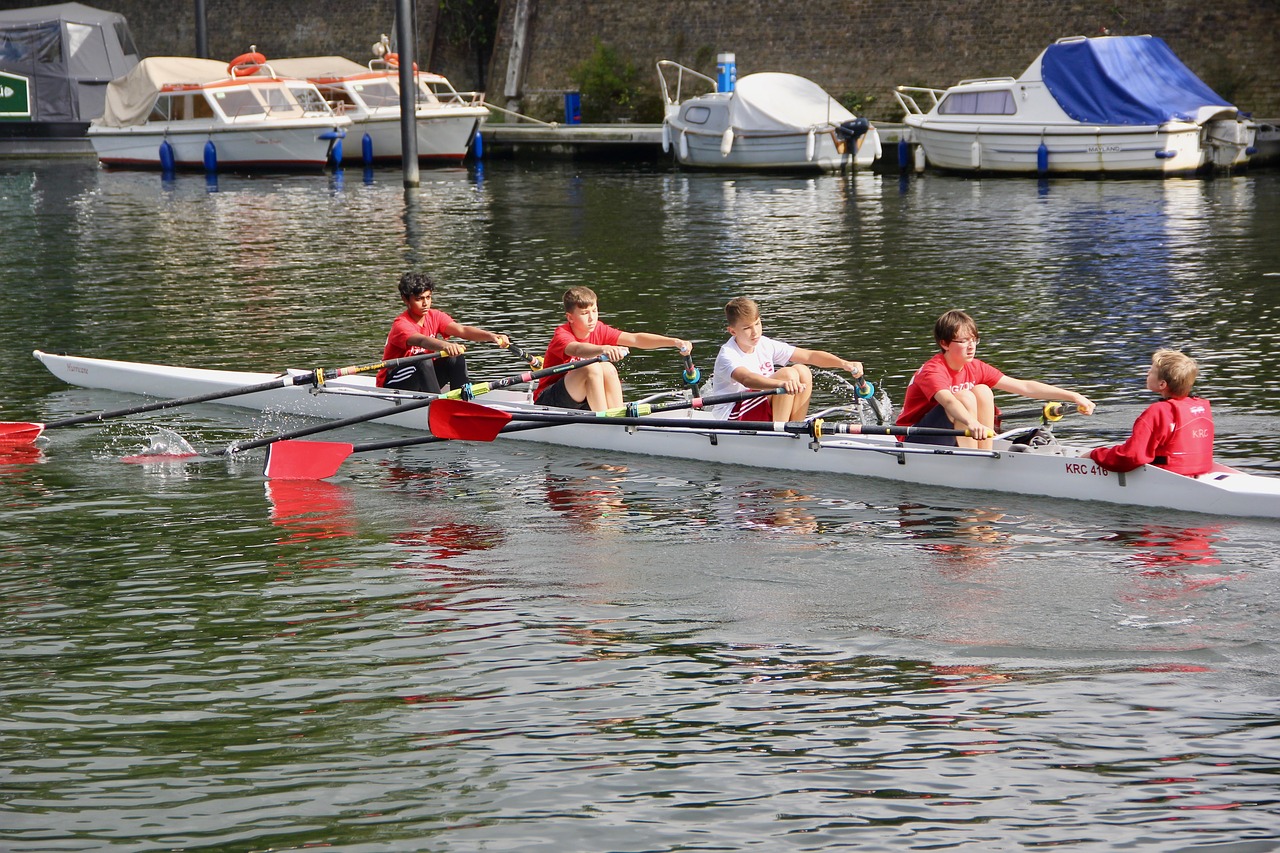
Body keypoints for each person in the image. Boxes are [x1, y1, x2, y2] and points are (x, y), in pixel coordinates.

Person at [896, 309, 1095, 449]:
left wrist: (1074, 396)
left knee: (983, 391)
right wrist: (972, 423)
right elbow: (948, 401)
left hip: (954, 432)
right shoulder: (933, 370)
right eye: (964, 341)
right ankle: (969, 458)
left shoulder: (975, 366)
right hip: (914, 436)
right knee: (964, 397)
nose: (971, 346)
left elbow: (1024, 386)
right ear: (945, 344)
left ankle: (984, 453)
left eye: (974, 340)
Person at [534, 286, 692, 411]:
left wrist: (674, 341)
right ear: (570, 317)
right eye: (584, 313)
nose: (592, 318)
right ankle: (604, 420)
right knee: (592, 368)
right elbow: (577, 349)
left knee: (608, 367)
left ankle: (617, 414)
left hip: (580, 399)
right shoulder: (562, 334)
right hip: (547, 400)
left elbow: (635, 339)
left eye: (594, 311)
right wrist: (603, 348)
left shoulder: (600, 329)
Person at [709, 296, 864, 421]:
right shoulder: (727, 354)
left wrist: (843, 363)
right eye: (747, 328)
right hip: (732, 414)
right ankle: (780, 434)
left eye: (757, 324)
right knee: (788, 374)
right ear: (733, 331)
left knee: (802, 371)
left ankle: (795, 427)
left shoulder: (765, 344)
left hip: (757, 405)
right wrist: (781, 384)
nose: (755, 332)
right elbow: (746, 379)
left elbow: (809, 356)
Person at [375, 272, 510, 392]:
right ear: (405, 299)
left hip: (421, 376)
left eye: (428, 297)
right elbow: (422, 340)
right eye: (419, 299)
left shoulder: (435, 316)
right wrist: (445, 345)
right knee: (423, 360)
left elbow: (462, 330)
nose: (425, 303)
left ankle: (462, 400)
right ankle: (438, 406)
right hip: (393, 383)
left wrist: (492, 336)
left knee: (455, 357)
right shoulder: (401, 324)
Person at [1088, 349, 1214, 475]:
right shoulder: (1200, 406)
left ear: (1162, 384)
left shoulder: (1158, 411)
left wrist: (1095, 454)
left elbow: (1130, 456)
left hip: (1168, 477)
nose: (1148, 372)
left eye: (1152, 371)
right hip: (1200, 473)